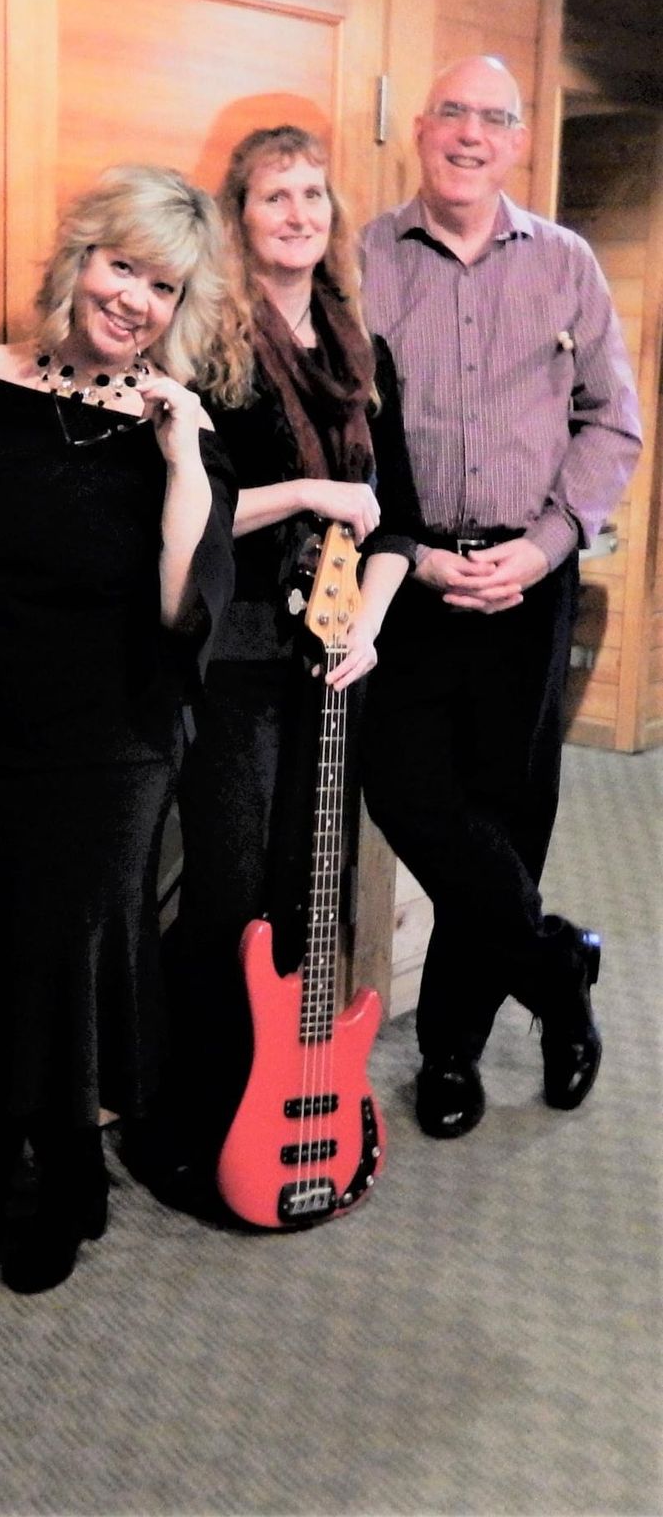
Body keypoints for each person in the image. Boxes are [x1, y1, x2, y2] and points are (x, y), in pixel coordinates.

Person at [0, 165, 237, 1294]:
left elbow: (181, 606)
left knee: (64, 950)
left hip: (114, 737)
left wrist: (182, 455)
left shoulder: (175, 427)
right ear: (79, 258)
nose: (135, 299)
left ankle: (61, 1171)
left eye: (163, 286)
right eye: (122, 266)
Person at [360, 56, 642, 1138]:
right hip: (405, 578)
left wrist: (546, 543)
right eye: (452, 114)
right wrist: (418, 555)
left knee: (509, 810)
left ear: (518, 142)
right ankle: (557, 970)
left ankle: (450, 1049)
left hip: (531, 580)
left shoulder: (566, 263)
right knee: (408, 794)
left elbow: (610, 420)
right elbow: (342, 423)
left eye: (493, 118)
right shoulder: (364, 259)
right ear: (419, 129)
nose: (469, 135)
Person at [147, 126, 418, 1190]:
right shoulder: (209, 342)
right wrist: (307, 491)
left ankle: (283, 1095)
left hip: (334, 661)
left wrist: (371, 627)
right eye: (275, 196)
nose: (299, 213)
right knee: (226, 893)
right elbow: (186, 511)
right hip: (239, 655)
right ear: (240, 216)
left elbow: (399, 518)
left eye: (313, 193)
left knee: (314, 886)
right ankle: (197, 1118)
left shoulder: (361, 350)